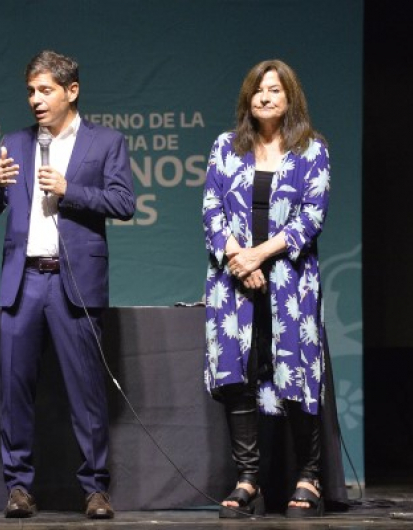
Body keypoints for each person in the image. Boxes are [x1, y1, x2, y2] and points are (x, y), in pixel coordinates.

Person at [0, 50, 135, 519]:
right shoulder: (15, 143)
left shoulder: (105, 143)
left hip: (74, 282)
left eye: (45, 91)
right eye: (30, 91)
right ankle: (18, 487)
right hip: (24, 283)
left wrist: (69, 190)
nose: (35, 100)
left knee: (86, 391)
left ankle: (95, 488)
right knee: (16, 391)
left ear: (71, 92)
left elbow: (124, 202)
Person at [202, 59, 332, 518]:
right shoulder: (225, 147)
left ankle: (308, 475)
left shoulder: (312, 149)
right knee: (239, 376)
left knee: (294, 372)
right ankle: (248, 479)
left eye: (274, 90)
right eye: (258, 90)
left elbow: (311, 218)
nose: (264, 97)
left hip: (290, 283)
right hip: (234, 284)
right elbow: (212, 208)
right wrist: (240, 259)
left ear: (289, 98)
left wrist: (259, 256)